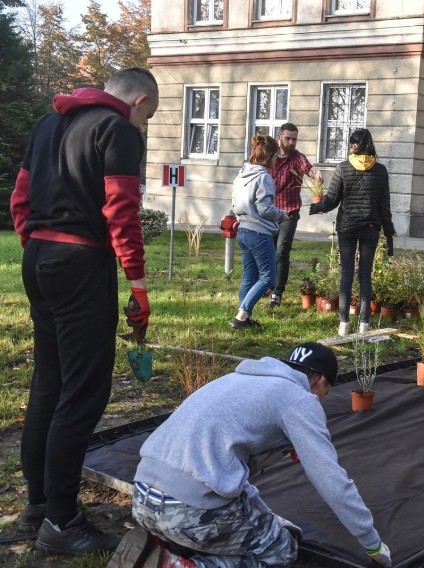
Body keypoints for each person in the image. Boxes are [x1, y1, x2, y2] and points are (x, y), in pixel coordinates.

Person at [9, 67, 159, 554]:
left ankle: (38, 506)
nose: (142, 127)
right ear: (137, 102)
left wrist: (39, 248)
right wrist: (137, 284)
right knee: (83, 392)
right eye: (147, 118)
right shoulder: (116, 130)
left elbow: (20, 198)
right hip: (80, 264)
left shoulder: (47, 123)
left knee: (48, 382)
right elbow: (122, 210)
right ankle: (63, 522)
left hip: (39, 258)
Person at [122, 342, 391, 568]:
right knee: (281, 551)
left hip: (142, 498)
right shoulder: (299, 399)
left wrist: (266, 518)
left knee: (255, 531)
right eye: (325, 393)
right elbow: (330, 479)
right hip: (187, 512)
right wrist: (371, 544)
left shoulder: (237, 379)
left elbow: (228, 471)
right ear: (321, 380)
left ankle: (162, 547)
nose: (320, 399)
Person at [309, 128, 395, 337]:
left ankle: (344, 324)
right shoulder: (380, 171)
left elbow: (332, 200)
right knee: (365, 275)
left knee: (346, 275)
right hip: (370, 228)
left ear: (355, 146)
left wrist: (317, 206)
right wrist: (389, 232)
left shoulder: (343, 168)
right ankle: (364, 324)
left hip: (347, 227)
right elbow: (384, 206)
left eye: (351, 144)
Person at [230, 134, 288, 329]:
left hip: (243, 230)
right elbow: (264, 208)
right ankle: (242, 315)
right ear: (269, 156)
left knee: (249, 277)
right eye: (275, 156)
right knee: (267, 277)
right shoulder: (264, 177)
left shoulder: (241, 175)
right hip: (259, 233)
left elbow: (235, 203)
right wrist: (282, 215)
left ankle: (244, 318)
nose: (276, 160)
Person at [268, 123, 324, 308]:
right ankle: (267, 286)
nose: (291, 142)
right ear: (279, 137)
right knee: (268, 253)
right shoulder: (270, 157)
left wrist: (317, 173)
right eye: (288, 138)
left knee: (281, 252)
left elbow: (309, 168)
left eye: (294, 139)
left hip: (288, 214)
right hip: (267, 213)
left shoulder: (297, 158)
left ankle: (277, 294)